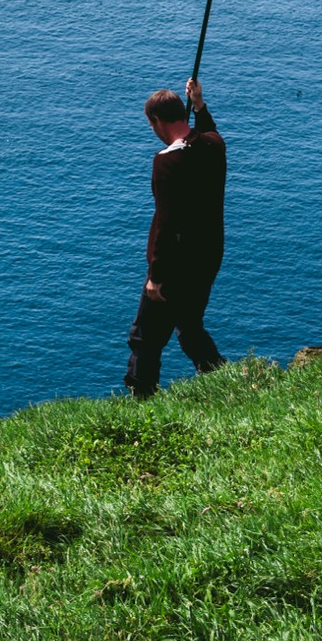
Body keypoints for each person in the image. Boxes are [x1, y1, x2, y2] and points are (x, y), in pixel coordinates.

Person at [124, 75, 227, 399]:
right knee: (189, 327)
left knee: (144, 338)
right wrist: (200, 105)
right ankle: (223, 380)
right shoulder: (214, 146)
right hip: (207, 258)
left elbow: (166, 224)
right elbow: (208, 132)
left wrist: (156, 276)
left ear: (156, 121)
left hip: (175, 264)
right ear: (183, 114)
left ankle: (141, 399)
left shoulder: (167, 162)